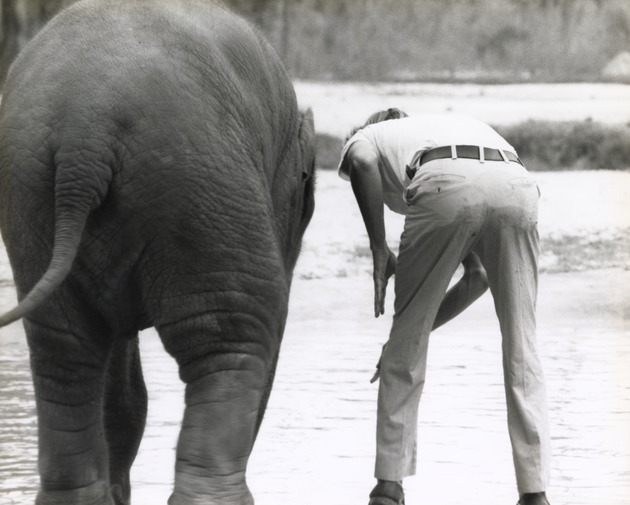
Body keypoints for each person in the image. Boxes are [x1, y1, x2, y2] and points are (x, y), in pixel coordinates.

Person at [338, 108, 551, 505]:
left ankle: (388, 486)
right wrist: (418, 330)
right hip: (518, 185)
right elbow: (476, 277)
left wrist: (377, 248)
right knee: (523, 344)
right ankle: (534, 490)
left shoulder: (367, 136)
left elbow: (362, 163)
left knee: (404, 350)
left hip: (444, 183)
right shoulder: (431, 130)